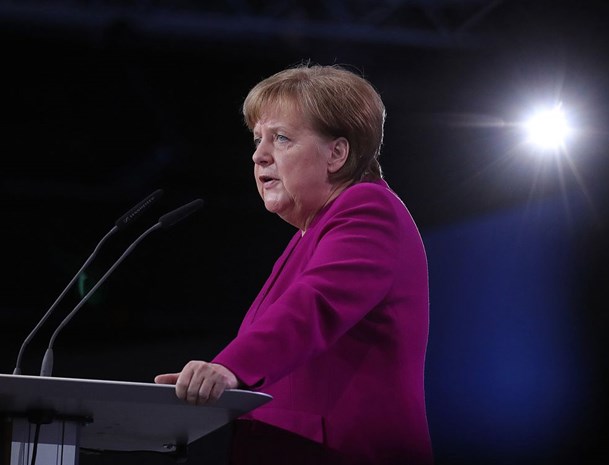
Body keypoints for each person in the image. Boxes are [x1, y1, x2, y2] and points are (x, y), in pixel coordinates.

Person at [155, 62, 433, 465]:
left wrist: (230, 367)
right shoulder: (309, 234)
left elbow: (313, 305)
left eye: (281, 138)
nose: (259, 155)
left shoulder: (369, 208)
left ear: (336, 153)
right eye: (258, 140)